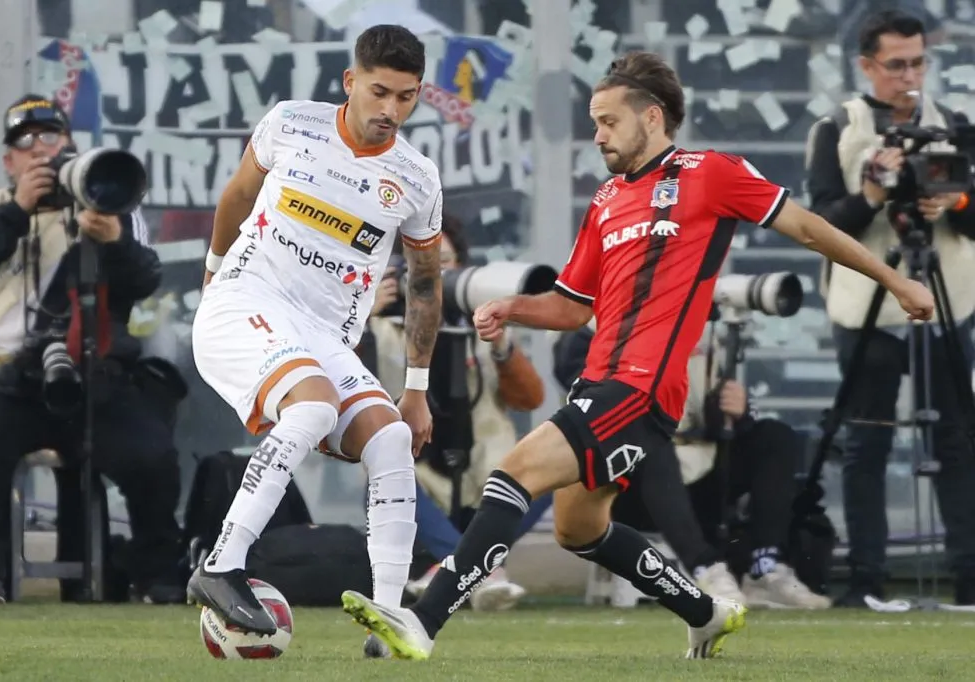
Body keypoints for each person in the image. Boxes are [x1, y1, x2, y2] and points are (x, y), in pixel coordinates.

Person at [339, 49, 935, 661]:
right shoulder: (606, 200)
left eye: (608, 122)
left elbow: (809, 229)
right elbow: (572, 307)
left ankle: (422, 622)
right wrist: (512, 307)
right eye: (595, 123)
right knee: (578, 529)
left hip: (643, 388)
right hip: (599, 383)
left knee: (512, 474)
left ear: (651, 117)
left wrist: (896, 281)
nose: (598, 135)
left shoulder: (711, 172)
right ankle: (705, 613)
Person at [185, 25, 445, 649]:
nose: (391, 110)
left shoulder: (416, 178)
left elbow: (425, 284)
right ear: (351, 81)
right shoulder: (292, 123)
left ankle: (388, 618)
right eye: (379, 92)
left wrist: (415, 388)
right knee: (315, 404)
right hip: (246, 300)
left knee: (390, 438)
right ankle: (221, 563)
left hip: (322, 334)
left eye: (406, 97)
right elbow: (237, 196)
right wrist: (214, 274)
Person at [0, 95, 185, 603]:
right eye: (25, 143)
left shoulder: (110, 205)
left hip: (94, 379)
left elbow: (144, 280)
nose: (39, 150)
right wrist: (17, 210)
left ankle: (159, 576)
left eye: (50, 137)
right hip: (2, 383)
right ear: (8, 160)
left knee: (151, 452)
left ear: (69, 147)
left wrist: (114, 241)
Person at [807, 10, 975, 607]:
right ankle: (867, 581)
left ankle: (968, 579)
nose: (909, 77)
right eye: (896, 65)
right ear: (867, 65)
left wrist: (952, 203)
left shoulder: (955, 124)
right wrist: (874, 193)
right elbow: (822, 225)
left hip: (947, 297)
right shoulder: (837, 128)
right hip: (867, 305)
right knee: (867, 442)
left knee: (956, 439)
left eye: (919, 63)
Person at [556, 323, 832, 609]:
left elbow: (714, 418)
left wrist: (737, 410)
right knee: (652, 440)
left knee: (774, 435)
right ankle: (706, 570)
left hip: (700, 472)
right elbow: (587, 398)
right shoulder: (592, 330)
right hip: (627, 485)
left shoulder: (702, 326)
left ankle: (766, 567)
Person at [367, 216, 550, 612]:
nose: (436, 277)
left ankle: (454, 567)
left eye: (445, 264)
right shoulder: (381, 326)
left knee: (557, 469)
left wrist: (502, 347)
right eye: (424, 265)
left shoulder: (481, 324)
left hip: (487, 475)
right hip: (423, 476)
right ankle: (479, 568)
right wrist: (365, 316)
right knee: (381, 475)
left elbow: (530, 399)